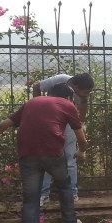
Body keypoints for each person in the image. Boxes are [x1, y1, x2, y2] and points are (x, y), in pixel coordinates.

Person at [0, 82, 87, 223]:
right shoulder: (68, 104)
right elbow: (81, 136)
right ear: (68, 97)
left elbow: (5, 123)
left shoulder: (31, 102)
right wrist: (82, 152)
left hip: (28, 154)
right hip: (53, 153)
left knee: (31, 200)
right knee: (64, 185)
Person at [30, 73, 95, 205]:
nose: (86, 94)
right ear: (75, 86)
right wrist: (41, 109)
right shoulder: (60, 80)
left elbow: (81, 118)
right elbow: (37, 86)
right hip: (50, 123)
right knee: (48, 158)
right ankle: (44, 194)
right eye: (85, 92)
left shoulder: (83, 96)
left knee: (70, 160)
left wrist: (79, 126)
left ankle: (72, 193)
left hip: (70, 125)